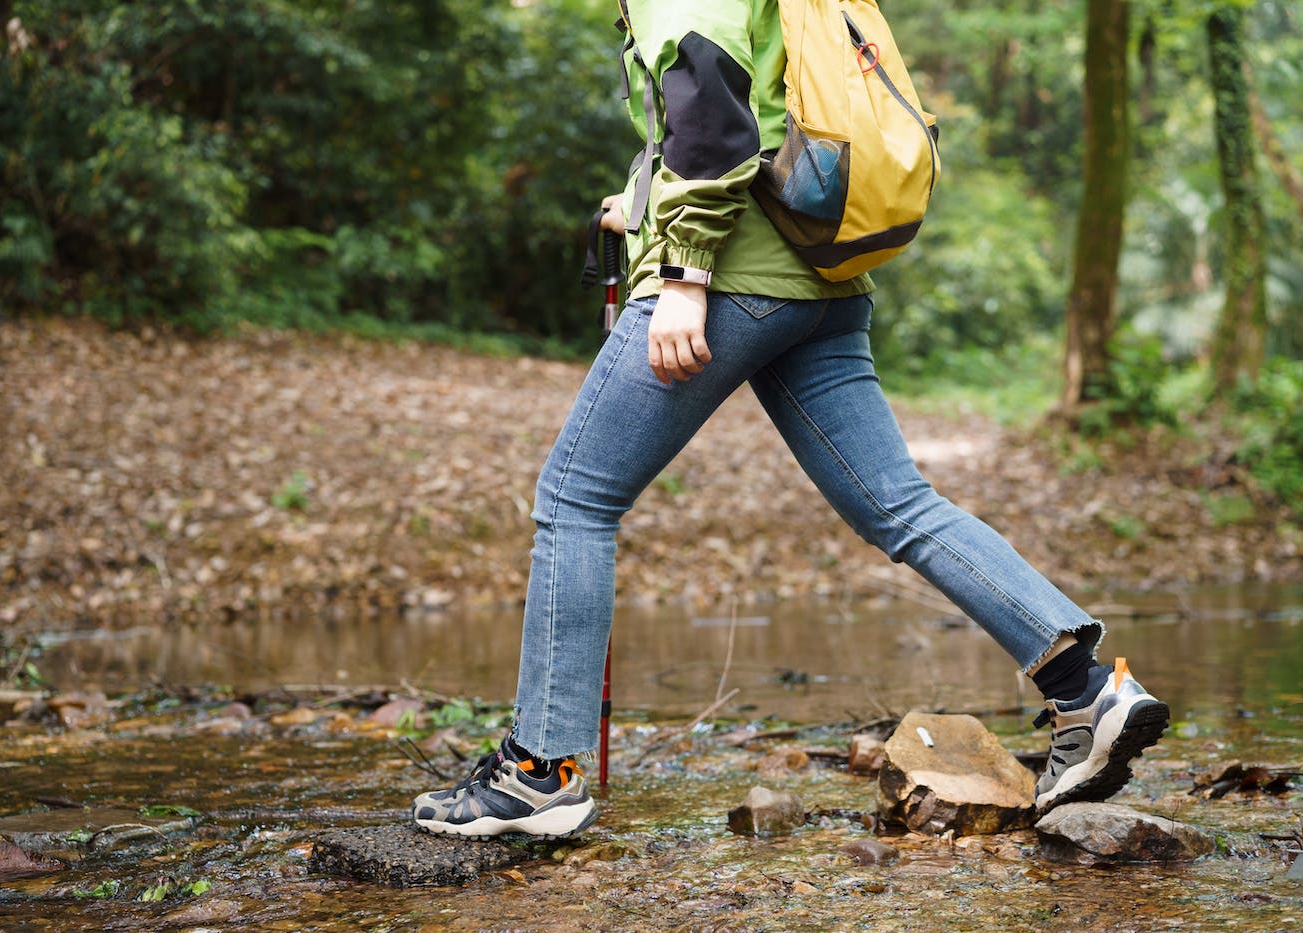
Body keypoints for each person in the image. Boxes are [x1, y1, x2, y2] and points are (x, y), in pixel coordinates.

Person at [411, 0, 1168, 840]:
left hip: (734, 278)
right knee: (899, 506)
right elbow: (756, 112)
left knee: (575, 499)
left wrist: (687, 272)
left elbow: (710, 102)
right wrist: (642, 203)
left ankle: (537, 771)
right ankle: (1085, 688)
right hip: (822, 283)